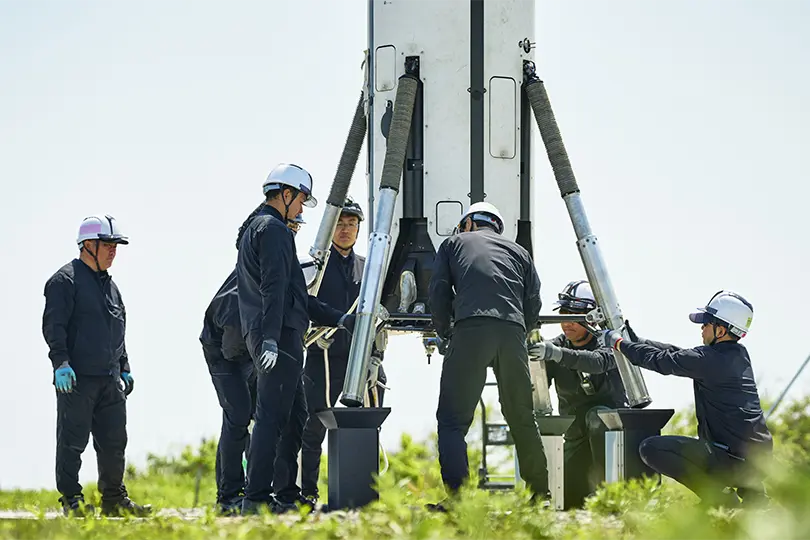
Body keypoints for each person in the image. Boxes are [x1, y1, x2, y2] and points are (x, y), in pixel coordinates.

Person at [235, 164, 356, 514]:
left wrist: (339, 318)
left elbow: (296, 296)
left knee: (295, 416)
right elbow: (273, 289)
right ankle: (256, 499)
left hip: (279, 335)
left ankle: (286, 495)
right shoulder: (273, 231)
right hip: (277, 338)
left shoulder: (257, 227)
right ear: (285, 194)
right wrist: (270, 339)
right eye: (301, 200)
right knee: (272, 417)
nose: (302, 209)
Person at [598, 290, 773, 507]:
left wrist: (619, 343)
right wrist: (638, 341)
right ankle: (757, 502)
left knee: (651, 448)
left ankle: (721, 500)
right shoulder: (736, 356)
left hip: (731, 461)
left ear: (720, 329)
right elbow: (677, 353)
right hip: (758, 460)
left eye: (706, 323)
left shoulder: (708, 360)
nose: (701, 328)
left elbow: (662, 361)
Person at [427, 202, 549, 509]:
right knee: (522, 418)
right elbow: (533, 302)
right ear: (496, 226)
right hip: (511, 334)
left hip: (471, 329)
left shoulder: (453, 243)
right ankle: (540, 495)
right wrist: (520, 330)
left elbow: (439, 292)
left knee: (453, 421)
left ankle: (458, 500)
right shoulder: (520, 252)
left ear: (468, 224)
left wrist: (444, 332)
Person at [273, 197, 388, 509]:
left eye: (352, 224)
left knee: (370, 419)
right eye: (340, 223)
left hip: (361, 355)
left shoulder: (370, 268)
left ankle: (366, 492)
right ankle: (307, 492)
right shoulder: (314, 268)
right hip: (322, 353)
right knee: (313, 425)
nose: (346, 229)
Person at [41, 215, 151, 517]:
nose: (113, 251)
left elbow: (118, 330)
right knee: (72, 442)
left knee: (115, 443)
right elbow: (54, 327)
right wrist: (60, 363)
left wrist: (125, 367)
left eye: (115, 245)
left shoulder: (111, 287)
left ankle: (114, 500)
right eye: (107, 245)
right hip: (77, 379)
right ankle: (72, 501)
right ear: (88, 245)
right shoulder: (64, 282)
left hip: (110, 380)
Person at [527, 280, 628, 509]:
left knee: (598, 415)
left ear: (593, 317)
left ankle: (608, 495)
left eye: (574, 315)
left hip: (614, 448)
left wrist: (556, 354)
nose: (566, 322)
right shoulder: (555, 347)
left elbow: (597, 362)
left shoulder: (610, 343)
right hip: (575, 442)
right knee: (567, 504)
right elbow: (534, 385)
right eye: (563, 314)